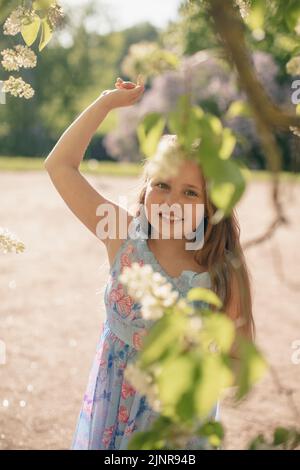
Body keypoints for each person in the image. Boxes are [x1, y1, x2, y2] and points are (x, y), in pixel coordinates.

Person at [44, 75, 255, 450]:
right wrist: (106, 103)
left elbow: (241, 360)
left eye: (189, 193)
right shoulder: (122, 236)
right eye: (162, 185)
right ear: (146, 187)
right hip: (111, 418)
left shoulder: (222, 270)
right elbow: (60, 166)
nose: (171, 201)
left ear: (212, 207)